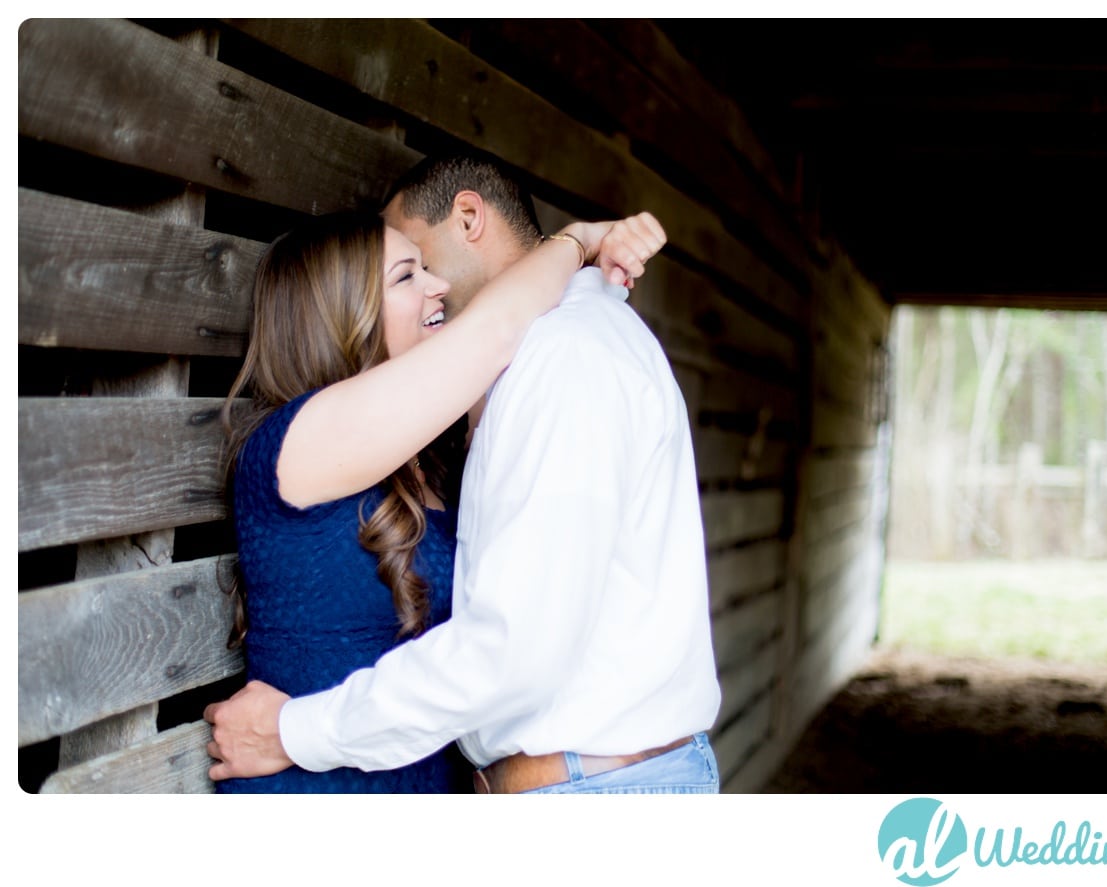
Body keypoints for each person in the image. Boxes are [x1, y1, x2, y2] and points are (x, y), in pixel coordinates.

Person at [206, 154, 722, 794]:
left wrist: (297, 730)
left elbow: (509, 649)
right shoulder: (305, 440)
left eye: (426, 263)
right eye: (405, 275)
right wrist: (577, 242)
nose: (437, 288)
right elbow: (495, 329)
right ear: (345, 312)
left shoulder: (556, 359)